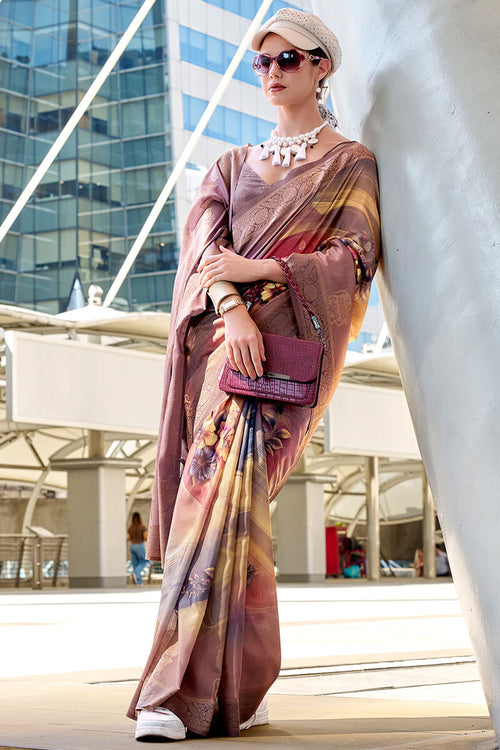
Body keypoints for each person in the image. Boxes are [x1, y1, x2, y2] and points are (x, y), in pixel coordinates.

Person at [128, 7, 380, 742]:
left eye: (288, 59)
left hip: (289, 358)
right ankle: (183, 692)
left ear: (321, 67)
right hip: (224, 355)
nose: (272, 73)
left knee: (241, 512)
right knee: (208, 502)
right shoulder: (231, 166)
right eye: (262, 62)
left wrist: (261, 268)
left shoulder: (350, 164)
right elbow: (205, 255)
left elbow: (354, 258)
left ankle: (220, 687)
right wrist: (235, 310)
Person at [128, 511, 148, 585]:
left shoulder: (131, 527)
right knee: (144, 561)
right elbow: (145, 537)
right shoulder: (142, 527)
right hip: (139, 545)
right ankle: (136, 573)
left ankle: (139, 582)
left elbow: (129, 538)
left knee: (135, 564)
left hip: (132, 546)